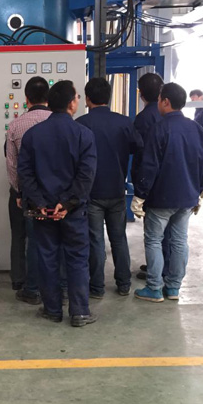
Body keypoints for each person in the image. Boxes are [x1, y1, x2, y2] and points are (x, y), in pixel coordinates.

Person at [17, 81, 97, 327]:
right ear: (72, 103)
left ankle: (52, 310)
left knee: (47, 257)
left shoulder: (32, 135)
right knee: (77, 258)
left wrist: (39, 202)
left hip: (44, 211)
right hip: (73, 211)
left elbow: (25, 174)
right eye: (77, 97)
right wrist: (69, 203)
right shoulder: (84, 134)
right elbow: (86, 175)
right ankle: (79, 312)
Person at [131, 82, 203, 302]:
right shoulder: (196, 129)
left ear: (165, 101)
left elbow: (150, 165)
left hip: (161, 197)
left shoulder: (159, 128)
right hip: (187, 197)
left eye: (159, 100)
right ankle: (173, 288)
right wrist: (201, 188)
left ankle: (154, 288)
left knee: (154, 240)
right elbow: (202, 162)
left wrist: (140, 194)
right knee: (179, 241)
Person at [76, 78, 142, 298]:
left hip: (92, 192)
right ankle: (123, 284)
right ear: (109, 97)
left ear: (87, 99)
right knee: (119, 238)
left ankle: (97, 287)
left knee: (95, 240)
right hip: (116, 189)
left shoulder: (82, 124)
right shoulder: (124, 122)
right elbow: (138, 146)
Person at [5, 76, 51, 305]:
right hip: (53, 193)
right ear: (48, 97)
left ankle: (21, 282)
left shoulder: (16, 125)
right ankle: (52, 285)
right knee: (51, 239)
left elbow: (12, 164)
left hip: (25, 192)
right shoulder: (58, 121)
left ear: (26, 98)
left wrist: (18, 192)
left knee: (20, 236)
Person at [131, 72, 170, 281]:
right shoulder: (171, 117)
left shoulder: (143, 119)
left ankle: (157, 272)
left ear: (141, 94)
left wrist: (140, 188)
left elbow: (141, 154)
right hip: (171, 179)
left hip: (151, 182)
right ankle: (165, 268)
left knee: (153, 233)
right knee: (171, 233)